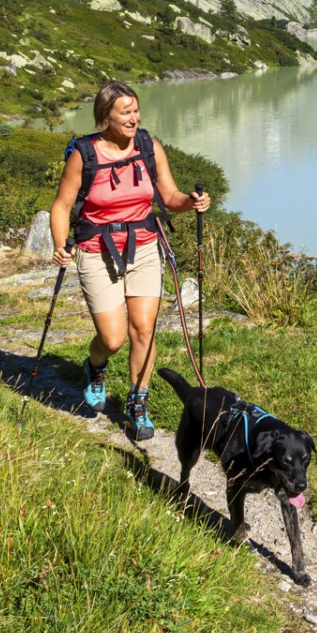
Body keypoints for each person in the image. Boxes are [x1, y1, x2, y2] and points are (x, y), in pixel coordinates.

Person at [49, 80, 210, 440]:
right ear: (106, 116)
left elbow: (168, 195)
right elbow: (61, 205)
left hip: (145, 247)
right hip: (96, 251)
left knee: (143, 329)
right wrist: (61, 244)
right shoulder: (84, 154)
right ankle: (96, 365)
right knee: (113, 337)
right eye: (126, 112)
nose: (134, 118)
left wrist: (192, 201)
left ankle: (139, 404)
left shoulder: (149, 147)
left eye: (136, 110)